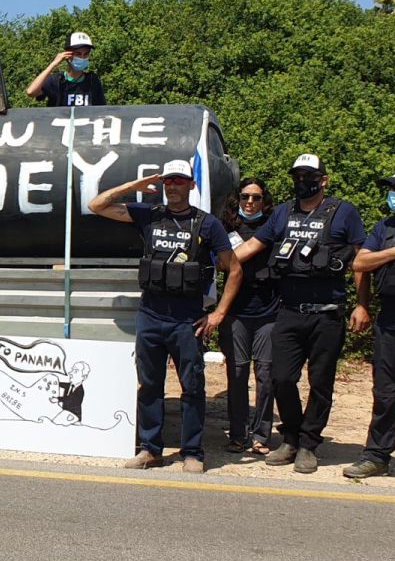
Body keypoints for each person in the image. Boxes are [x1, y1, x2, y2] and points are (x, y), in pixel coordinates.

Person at [89, 159, 242, 472]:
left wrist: (219, 313)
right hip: (151, 316)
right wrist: (135, 186)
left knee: (193, 388)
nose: (173, 186)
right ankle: (151, 450)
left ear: (191, 185)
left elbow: (235, 269)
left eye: (180, 181)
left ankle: (193, 453)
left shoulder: (207, 224)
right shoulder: (150, 215)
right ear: (163, 184)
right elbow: (97, 205)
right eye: (169, 181)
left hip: (187, 319)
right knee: (149, 385)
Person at [234, 154, 370, 474]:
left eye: (309, 176)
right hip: (289, 312)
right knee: (281, 378)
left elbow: (360, 261)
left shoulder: (343, 212)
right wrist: (215, 261)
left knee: (320, 382)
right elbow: (251, 247)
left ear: (323, 180)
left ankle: (309, 443)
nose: (301, 182)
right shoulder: (282, 212)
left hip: (327, 315)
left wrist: (362, 303)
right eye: (297, 176)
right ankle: (291, 437)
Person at [344, 166, 395, 479]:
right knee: (385, 395)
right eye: (393, 187)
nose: (394, 193)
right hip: (391, 322)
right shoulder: (385, 228)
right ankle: (377, 456)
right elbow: (360, 262)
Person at [218, 177, 278, 455]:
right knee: (238, 372)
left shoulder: (275, 227)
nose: (250, 202)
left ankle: (262, 435)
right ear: (237, 199)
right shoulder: (226, 227)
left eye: (256, 197)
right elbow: (219, 264)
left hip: (269, 312)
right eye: (245, 197)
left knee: (266, 374)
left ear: (264, 201)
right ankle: (237, 434)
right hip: (236, 313)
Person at [25, 31, 107, 108]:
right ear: (67, 54)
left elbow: (101, 110)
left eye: (86, 54)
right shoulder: (56, 80)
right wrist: (53, 64)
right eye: (78, 54)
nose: (82, 58)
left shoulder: (93, 80)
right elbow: (31, 92)